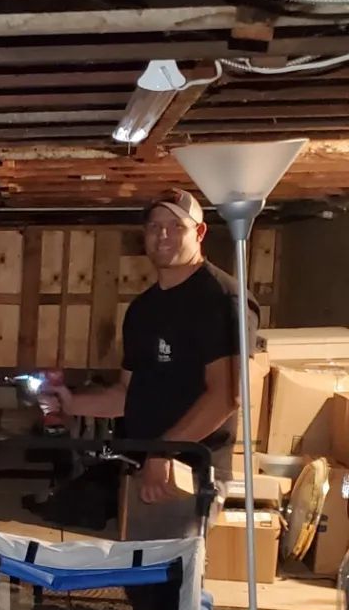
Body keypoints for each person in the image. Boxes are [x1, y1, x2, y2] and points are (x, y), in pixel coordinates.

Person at [50, 189, 257, 536]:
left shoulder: (222, 300)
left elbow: (226, 396)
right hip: (144, 466)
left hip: (188, 473)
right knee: (140, 582)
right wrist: (72, 402)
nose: (163, 235)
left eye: (176, 226)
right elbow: (126, 395)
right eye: (154, 226)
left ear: (200, 233)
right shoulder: (142, 310)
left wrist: (162, 454)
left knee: (172, 578)